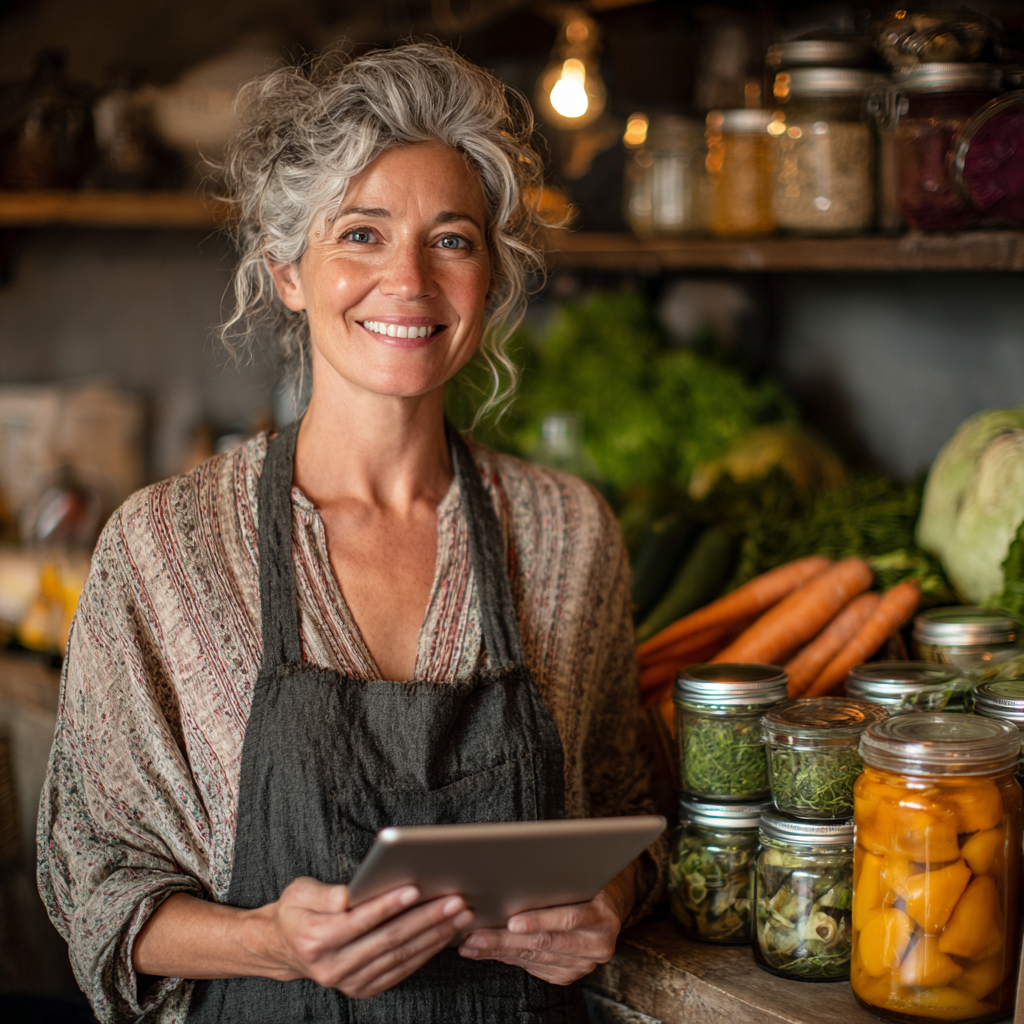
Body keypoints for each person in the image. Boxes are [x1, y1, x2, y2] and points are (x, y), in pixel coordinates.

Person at [37, 43, 664, 1024]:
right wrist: (269, 943)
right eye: (362, 234)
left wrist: (608, 904)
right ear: (288, 270)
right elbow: (93, 880)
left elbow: (629, 813)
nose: (407, 279)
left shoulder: (564, 534)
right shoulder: (167, 548)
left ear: (490, 273)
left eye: (450, 239)